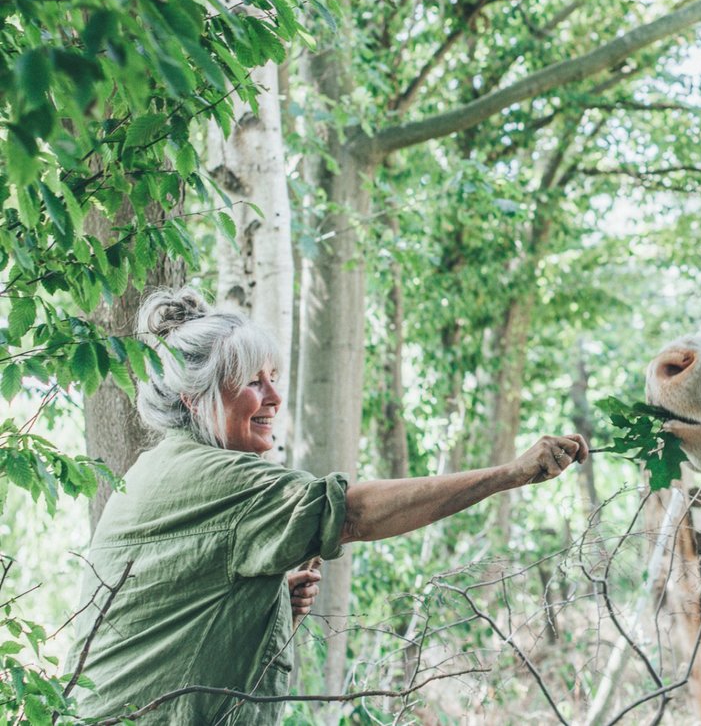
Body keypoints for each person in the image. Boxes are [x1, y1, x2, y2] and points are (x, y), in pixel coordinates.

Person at [69, 287, 587, 724]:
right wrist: (508, 474)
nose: (273, 396)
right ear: (192, 398)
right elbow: (353, 513)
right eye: (253, 381)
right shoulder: (220, 477)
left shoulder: (154, 468)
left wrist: (264, 604)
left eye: (273, 377)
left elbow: (174, 604)